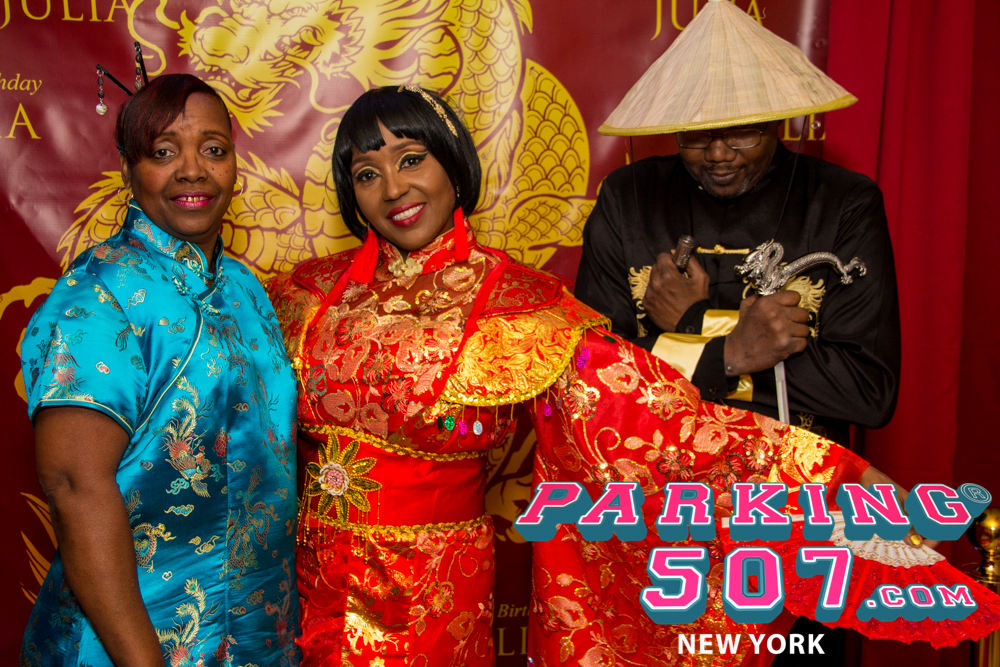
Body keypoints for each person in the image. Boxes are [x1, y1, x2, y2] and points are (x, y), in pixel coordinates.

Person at [266, 86, 997, 667]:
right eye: (367, 173)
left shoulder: (515, 304)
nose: (393, 186)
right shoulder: (304, 293)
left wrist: (843, 490)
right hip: (303, 574)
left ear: (454, 166)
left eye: (412, 159)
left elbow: (655, 421)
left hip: (432, 583)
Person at [20, 74, 299, 666]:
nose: (193, 170)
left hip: (257, 639)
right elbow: (75, 487)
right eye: (164, 152)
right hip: (133, 643)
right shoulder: (98, 295)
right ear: (128, 169)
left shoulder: (244, 288)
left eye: (213, 149)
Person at [576, 0, 899, 447]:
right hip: (657, 469)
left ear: (777, 119)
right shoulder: (627, 197)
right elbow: (590, 368)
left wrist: (693, 322)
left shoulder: (843, 202)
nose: (718, 153)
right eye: (696, 133)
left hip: (795, 475)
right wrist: (730, 352)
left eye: (742, 131)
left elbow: (867, 391)